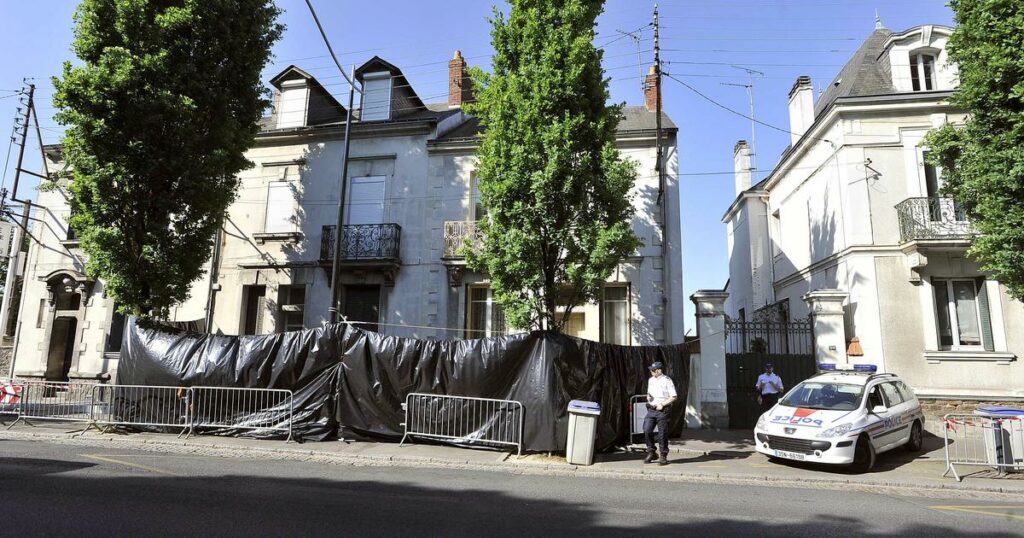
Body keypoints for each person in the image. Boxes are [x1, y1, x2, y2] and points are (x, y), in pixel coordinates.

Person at [643, 361, 677, 466]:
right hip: (651, 410)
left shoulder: (667, 380)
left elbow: (673, 396)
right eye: (651, 370)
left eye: (653, 370)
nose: (651, 372)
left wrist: (662, 404)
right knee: (647, 430)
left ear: (659, 370)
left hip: (662, 410)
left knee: (662, 434)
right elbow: (649, 393)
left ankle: (663, 455)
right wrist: (648, 397)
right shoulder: (651, 380)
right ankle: (651, 452)